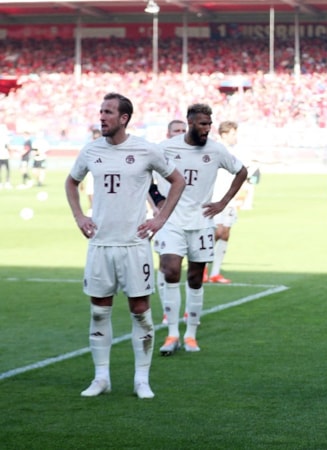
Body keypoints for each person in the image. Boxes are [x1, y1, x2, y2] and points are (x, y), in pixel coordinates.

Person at [64, 92, 186, 399]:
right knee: (98, 312)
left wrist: (160, 219)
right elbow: (71, 182)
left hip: (134, 246)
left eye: (108, 112)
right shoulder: (91, 150)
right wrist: (79, 215)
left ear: (124, 118)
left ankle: (141, 379)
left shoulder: (146, 149)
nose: (101, 117)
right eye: (100, 111)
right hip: (101, 245)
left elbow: (178, 181)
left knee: (140, 311)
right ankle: (101, 377)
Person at [153, 104, 248, 356]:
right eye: (202, 124)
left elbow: (242, 171)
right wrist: (157, 200)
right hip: (171, 222)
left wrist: (223, 202)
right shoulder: (166, 147)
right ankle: (172, 333)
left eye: (209, 123)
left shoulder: (216, 149)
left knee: (195, 279)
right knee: (170, 271)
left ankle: (191, 335)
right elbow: (144, 173)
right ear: (190, 122)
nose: (207, 128)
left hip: (202, 222)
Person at [153, 119, 187, 325]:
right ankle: (168, 310)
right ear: (168, 134)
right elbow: (147, 180)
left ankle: (182, 310)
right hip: (165, 216)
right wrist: (158, 203)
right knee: (166, 264)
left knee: (185, 266)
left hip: (188, 217)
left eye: (184, 130)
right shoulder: (159, 152)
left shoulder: (193, 153)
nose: (180, 133)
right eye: (176, 131)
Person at [207, 120, 244, 284]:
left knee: (225, 233)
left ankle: (215, 273)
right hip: (215, 198)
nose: (236, 137)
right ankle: (201, 268)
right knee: (215, 232)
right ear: (224, 134)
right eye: (233, 134)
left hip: (229, 199)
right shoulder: (215, 150)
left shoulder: (236, 151)